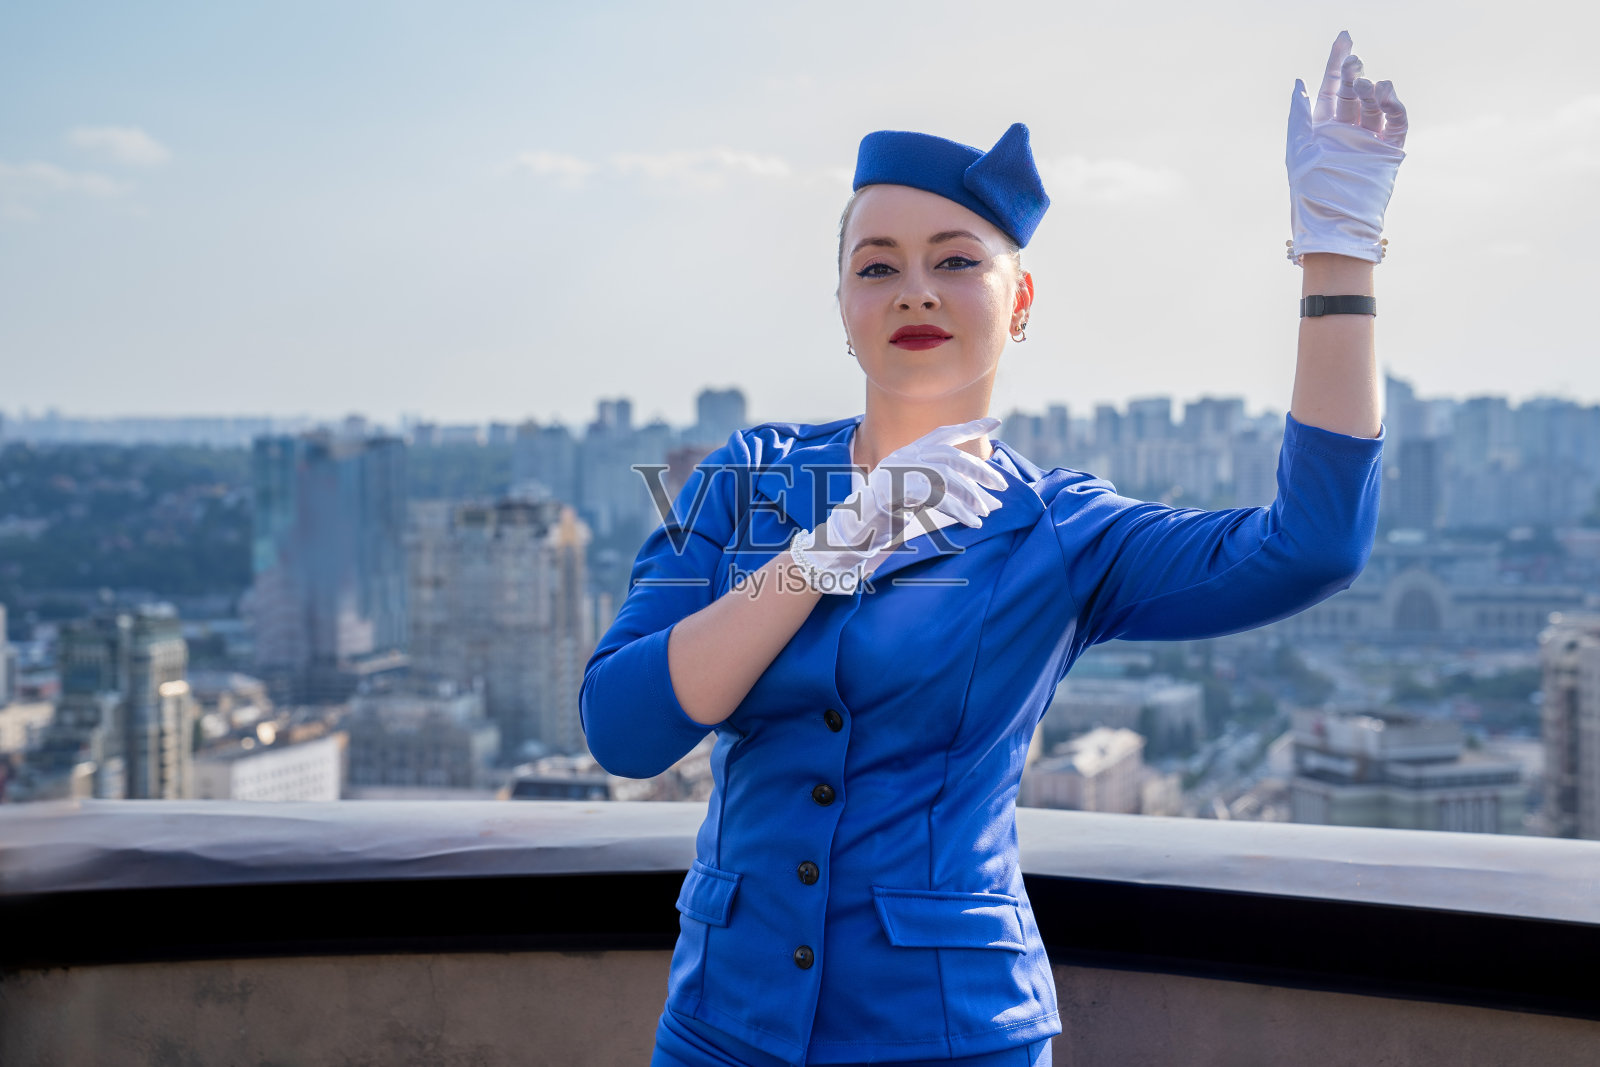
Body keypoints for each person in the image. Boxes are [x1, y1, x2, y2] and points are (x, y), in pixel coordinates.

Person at [581, 31, 1407, 1067]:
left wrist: (1339, 252)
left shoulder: (1061, 531)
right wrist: (829, 548)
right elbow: (622, 727)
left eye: (957, 261)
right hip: (720, 1030)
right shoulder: (746, 478)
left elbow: (1312, 547)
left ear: (1019, 302)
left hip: (950, 1036)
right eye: (876, 267)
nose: (915, 290)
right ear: (842, 310)